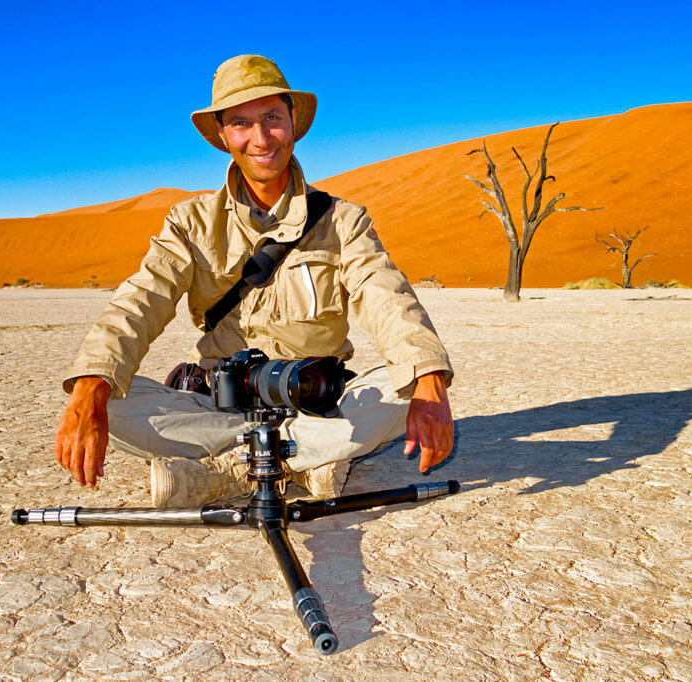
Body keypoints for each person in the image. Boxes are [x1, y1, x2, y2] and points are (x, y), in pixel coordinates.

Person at [54, 55, 454, 506]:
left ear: (293, 123)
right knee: (104, 398)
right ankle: (302, 463)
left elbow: (386, 296)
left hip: (318, 404)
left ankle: (224, 473)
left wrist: (428, 380)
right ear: (223, 136)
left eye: (272, 119)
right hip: (218, 408)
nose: (261, 138)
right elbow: (140, 300)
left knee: (402, 393)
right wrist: (91, 386)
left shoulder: (343, 221)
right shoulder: (190, 222)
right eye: (242, 123)